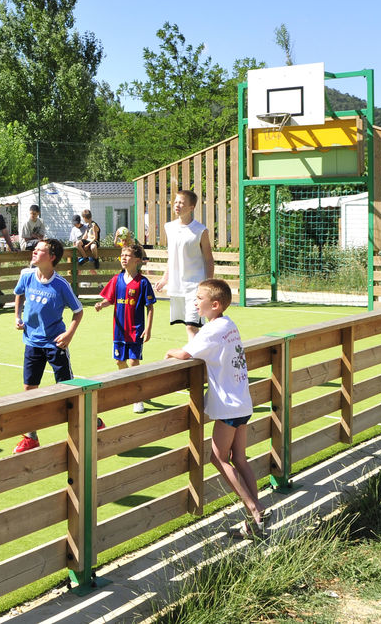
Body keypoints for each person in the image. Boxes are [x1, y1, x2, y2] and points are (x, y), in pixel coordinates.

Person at [164, 278, 264, 538]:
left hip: (229, 407)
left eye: (200, 298)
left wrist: (171, 352)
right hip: (242, 401)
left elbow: (187, 354)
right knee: (239, 458)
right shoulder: (228, 324)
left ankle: (254, 507)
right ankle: (256, 518)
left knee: (218, 458)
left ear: (215, 304)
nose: (196, 301)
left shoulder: (211, 330)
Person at [12, 238, 85, 453]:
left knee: (67, 388)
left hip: (55, 343)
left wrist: (69, 334)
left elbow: (78, 311)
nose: (34, 252)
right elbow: (18, 293)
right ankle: (31, 437)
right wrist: (17, 316)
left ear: (51, 257)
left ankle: (90, 421)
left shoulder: (61, 285)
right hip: (31, 342)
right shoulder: (26, 275)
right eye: (34, 249)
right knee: (29, 389)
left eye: (39, 250)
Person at [94, 242, 156, 413]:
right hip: (119, 330)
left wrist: (148, 328)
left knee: (134, 362)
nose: (124, 258)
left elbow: (150, 307)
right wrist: (101, 304)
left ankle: (137, 398)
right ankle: (132, 385)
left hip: (136, 330)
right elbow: (110, 299)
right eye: (122, 255)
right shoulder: (116, 279)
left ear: (137, 260)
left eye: (127, 255)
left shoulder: (143, 283)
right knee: (119, 361)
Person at [153, 190, 215, 345]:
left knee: (191, 326)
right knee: (191, 326)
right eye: (175, 202)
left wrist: (208, 284)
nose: (177, 205)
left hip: (196, 285)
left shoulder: (201, 230)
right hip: (177, 286)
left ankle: (194, 358)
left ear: (191, 207)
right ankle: (206, 352)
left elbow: (208, 259)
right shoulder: (169, 227)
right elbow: (172, 257)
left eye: (181, 202)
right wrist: (164, 279)